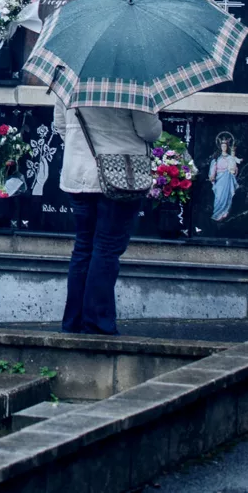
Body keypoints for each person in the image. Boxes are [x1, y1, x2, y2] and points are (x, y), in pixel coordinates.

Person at [54, 100, 161, 335]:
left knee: (84, 247)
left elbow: (60, 125)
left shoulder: (72, 79)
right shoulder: (131, 82)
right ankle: (97, 325)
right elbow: (149, 130)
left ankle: (74, 323)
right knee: (107, 247)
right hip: (120, 177)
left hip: (77, 176)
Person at [209, 133, 240, 222]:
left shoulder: (230, 157)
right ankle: (217, 213)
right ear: (220, 147)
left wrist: (232, 170)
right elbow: (213, 168)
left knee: (227, 196)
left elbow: (234, 169)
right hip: (219, 180)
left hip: (227, 179)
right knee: (218, 197)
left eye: (225, 146)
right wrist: (212, 175)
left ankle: (224, 212)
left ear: (227, 147)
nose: (224, 147)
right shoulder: (217, 157)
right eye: (222, 146)